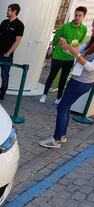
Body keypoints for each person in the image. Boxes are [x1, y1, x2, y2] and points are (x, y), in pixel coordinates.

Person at [39, 20, 94, 149]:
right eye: (93, 26)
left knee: (62, 108)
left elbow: (91, 68)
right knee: (66, 107)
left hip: (82, 83)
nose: (92, 29)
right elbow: (74, 51)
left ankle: (56, 140)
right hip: (77, 80)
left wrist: (77, 55)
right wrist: (66, 47)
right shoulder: (90, 42)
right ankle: (62, 136)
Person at [39, 6, 88, 104]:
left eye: (79, 15)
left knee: (63, 78)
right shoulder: (65, 26)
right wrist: (59, 48)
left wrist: (71, 49)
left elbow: (79, 42)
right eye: (76, 15)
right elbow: (55, 39)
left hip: (70, 58)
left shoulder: (84, 29)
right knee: (52, 76)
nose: (77, 17)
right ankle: (44, 95)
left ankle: (58, 98)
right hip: (58, 57)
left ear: (84, 16)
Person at [0, 3, 24, 101]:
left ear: (14, 12)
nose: (7, 12)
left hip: (7, 56)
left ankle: (1, 95)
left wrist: (8, 53)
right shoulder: (4, 22)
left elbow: (17, 41)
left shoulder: (20, 25)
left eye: (9, 10)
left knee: (4, 75)